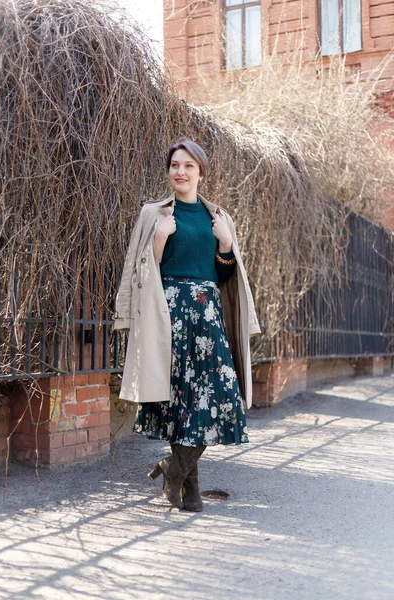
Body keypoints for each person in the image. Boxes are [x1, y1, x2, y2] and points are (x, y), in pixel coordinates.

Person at [113, 139, 260, 512]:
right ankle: (188, 490)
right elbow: (143, 272)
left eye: (189, 165)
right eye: (175, 164)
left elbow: (226, 277)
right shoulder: (154, 214)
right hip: (169, 316)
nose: (180, 171)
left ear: (201, 172)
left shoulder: (218, 218)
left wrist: (226, 247)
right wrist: (160, 240)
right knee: (181, 402)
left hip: (207, 317)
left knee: (217, 397)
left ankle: (172, 470)